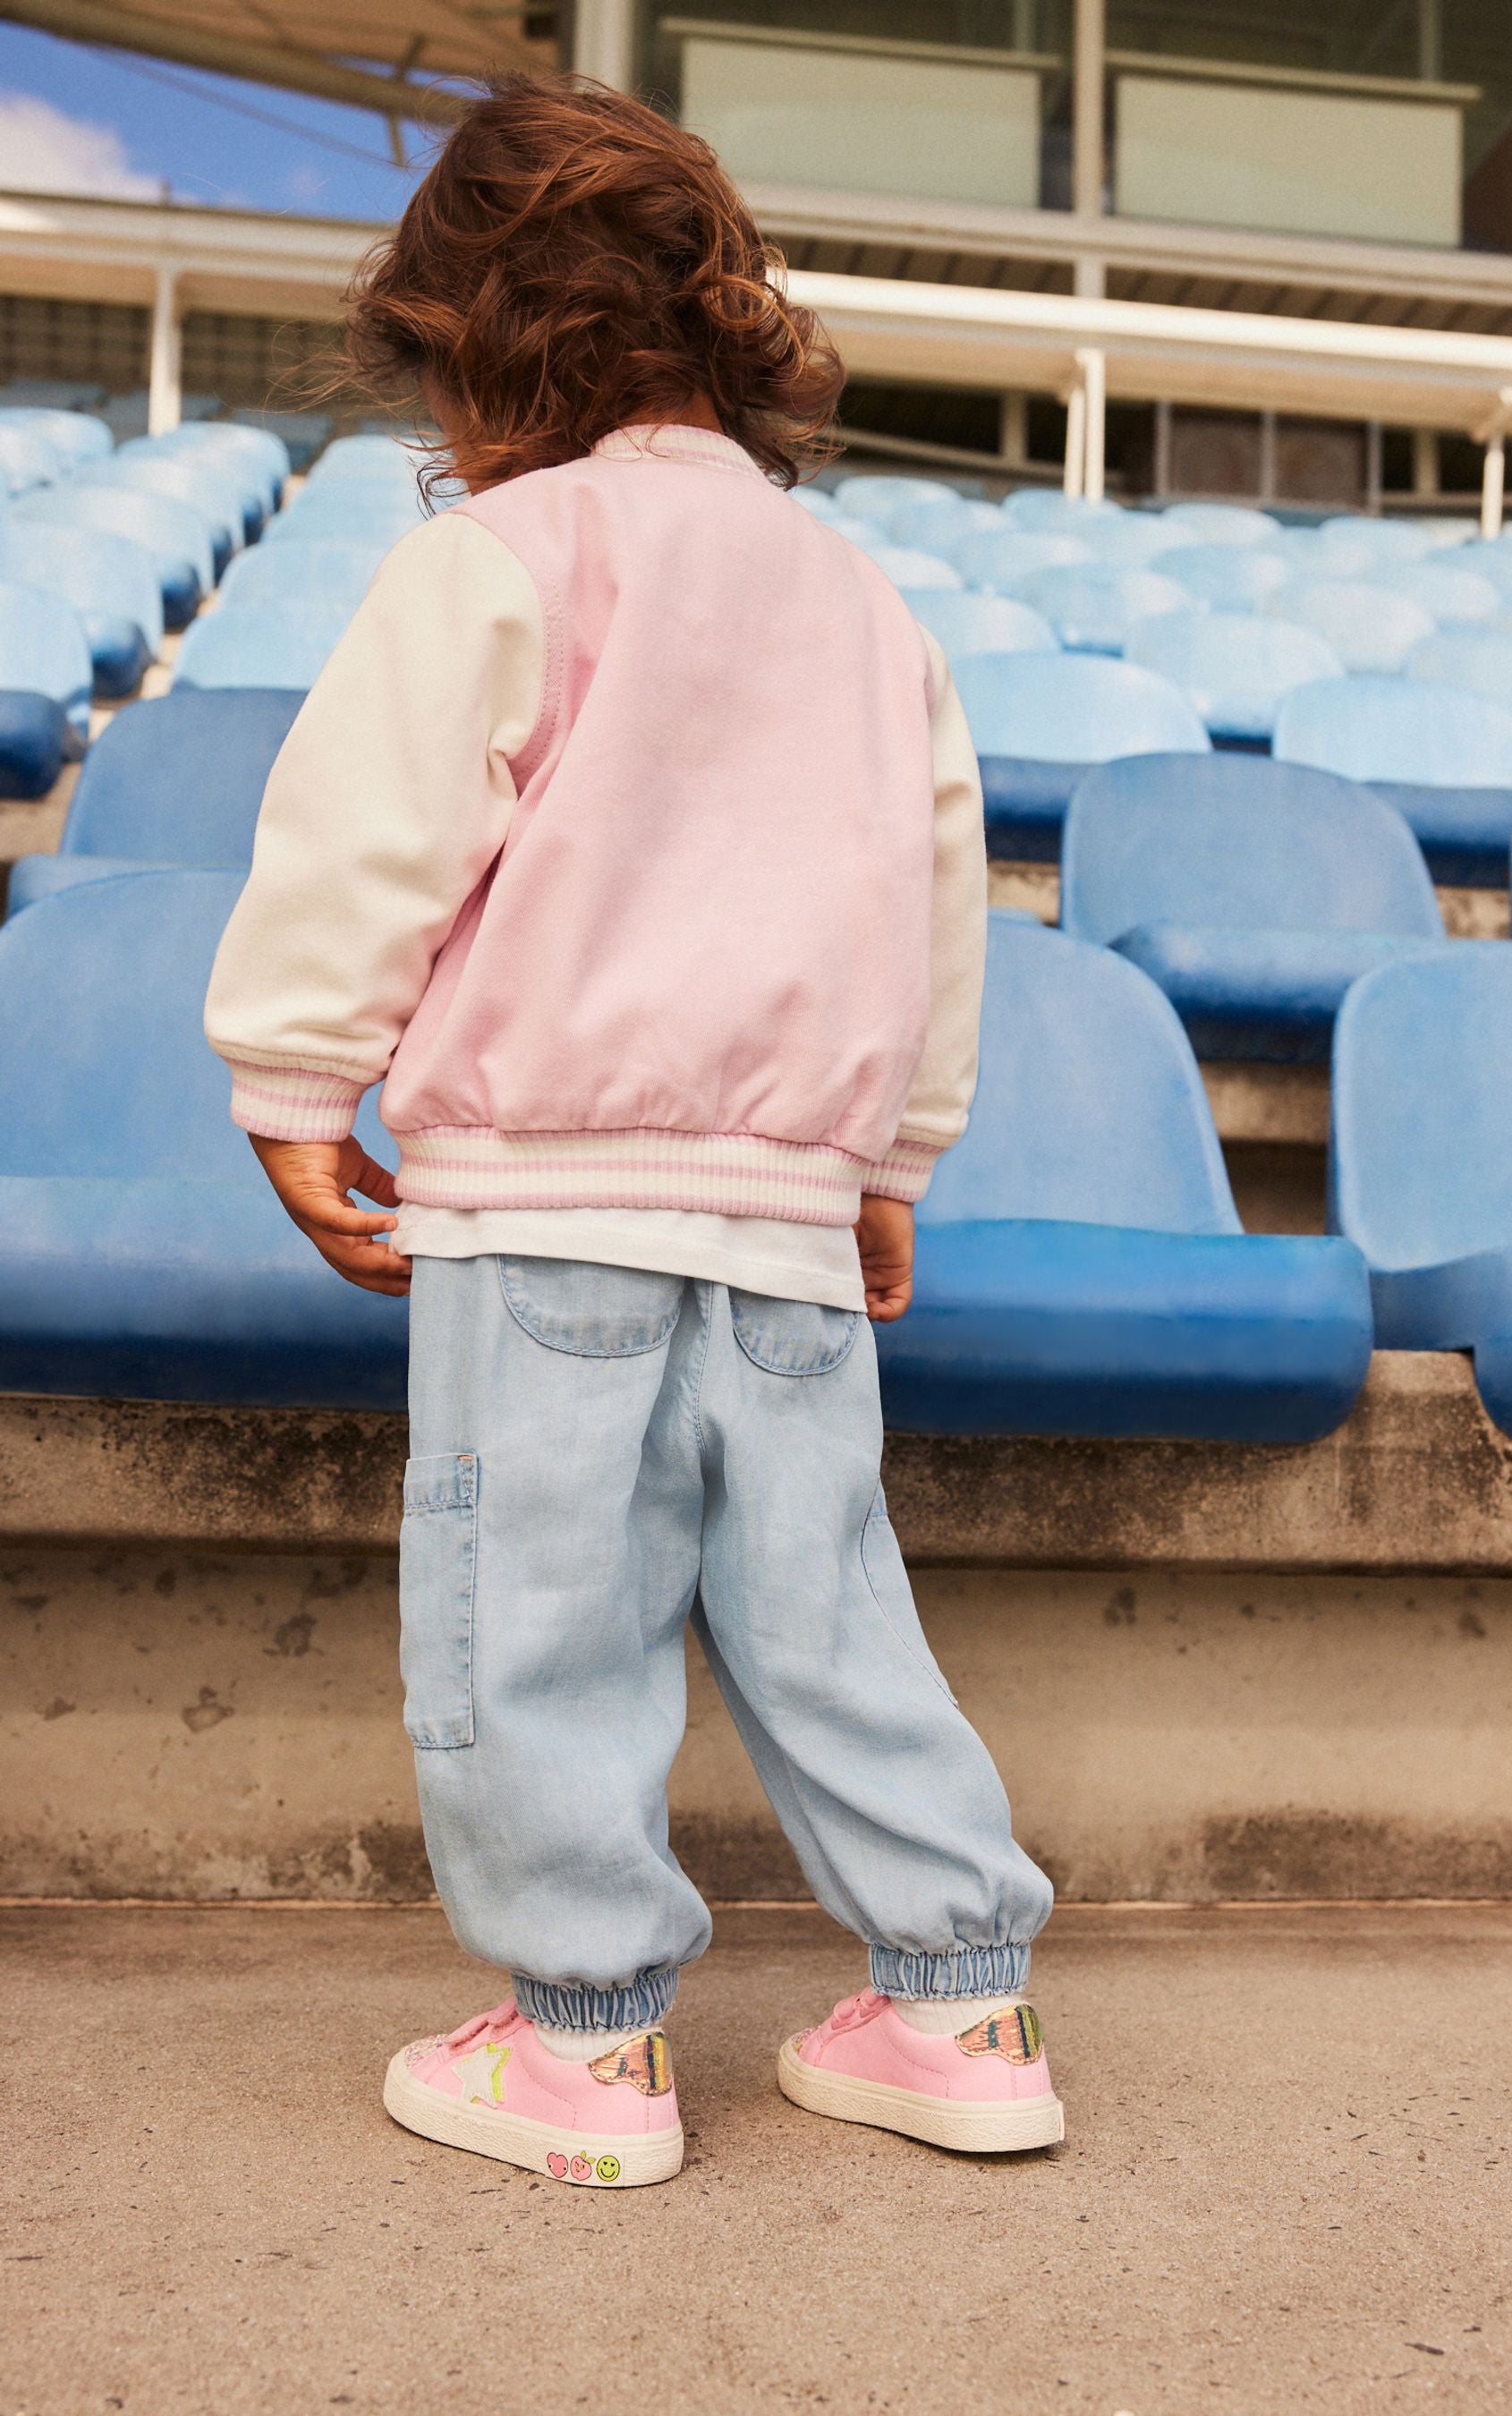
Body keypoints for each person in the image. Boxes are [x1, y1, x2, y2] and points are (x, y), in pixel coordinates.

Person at [205, 73, 1057, 2190]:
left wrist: (298, 1081)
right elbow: (931, 901)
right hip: (784, 1212)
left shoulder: (503, 556)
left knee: (539, 1614)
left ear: (469, 340)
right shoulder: (863, 603)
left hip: (552, 1197)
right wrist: (889, 1161)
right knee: (830, 1608)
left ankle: (582, 2047)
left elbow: (369, 836)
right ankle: (961, 2003)